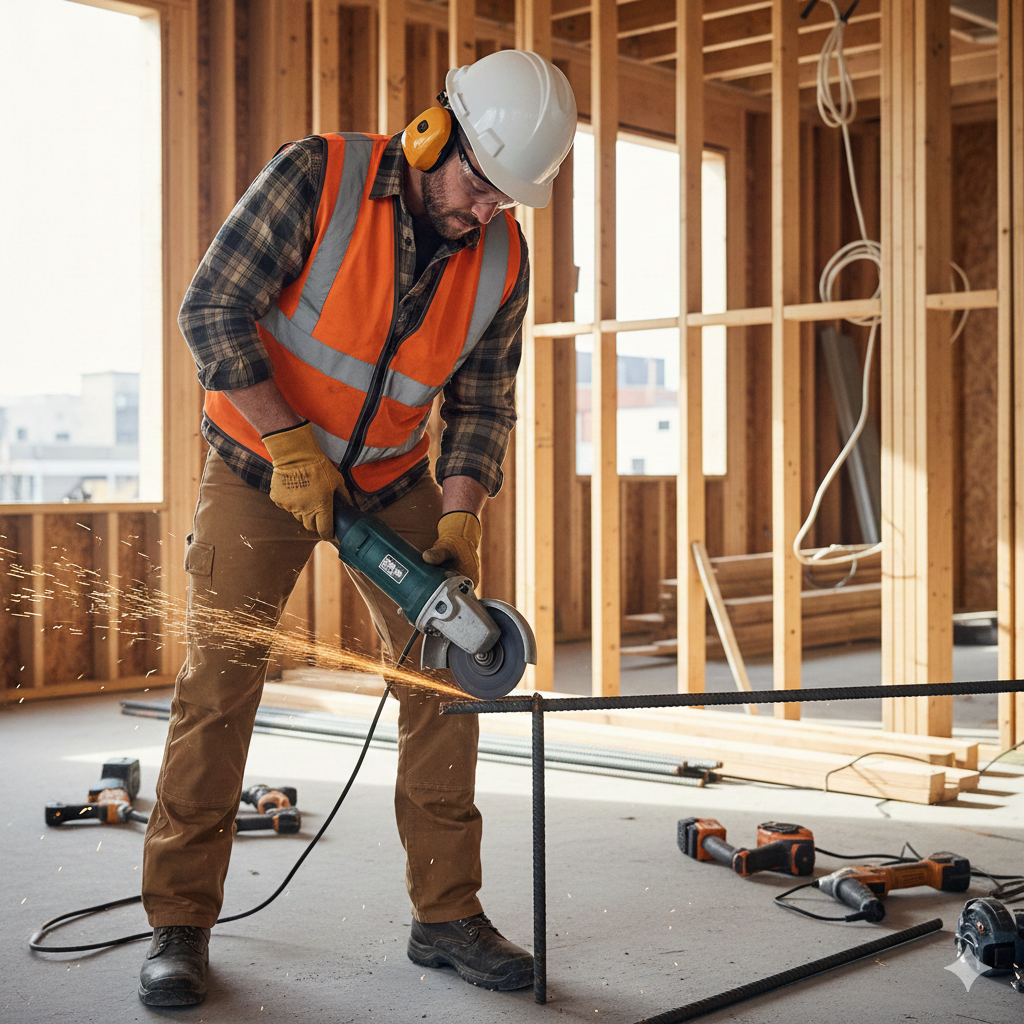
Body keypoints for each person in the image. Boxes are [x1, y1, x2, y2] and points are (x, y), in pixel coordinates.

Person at [137, 49, 577, 1007]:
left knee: (445, 677)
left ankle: (446, 915)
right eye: (477, 183)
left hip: (388, 479)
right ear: (433, 132)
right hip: (262, 465)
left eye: (507, 198)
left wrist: (459, 517)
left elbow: (484, 398)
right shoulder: (318, 178)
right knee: (220, 681)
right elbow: (210, 308)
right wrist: (291, 445)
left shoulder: (502, 254)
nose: (486, 211)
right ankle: (179, 922)